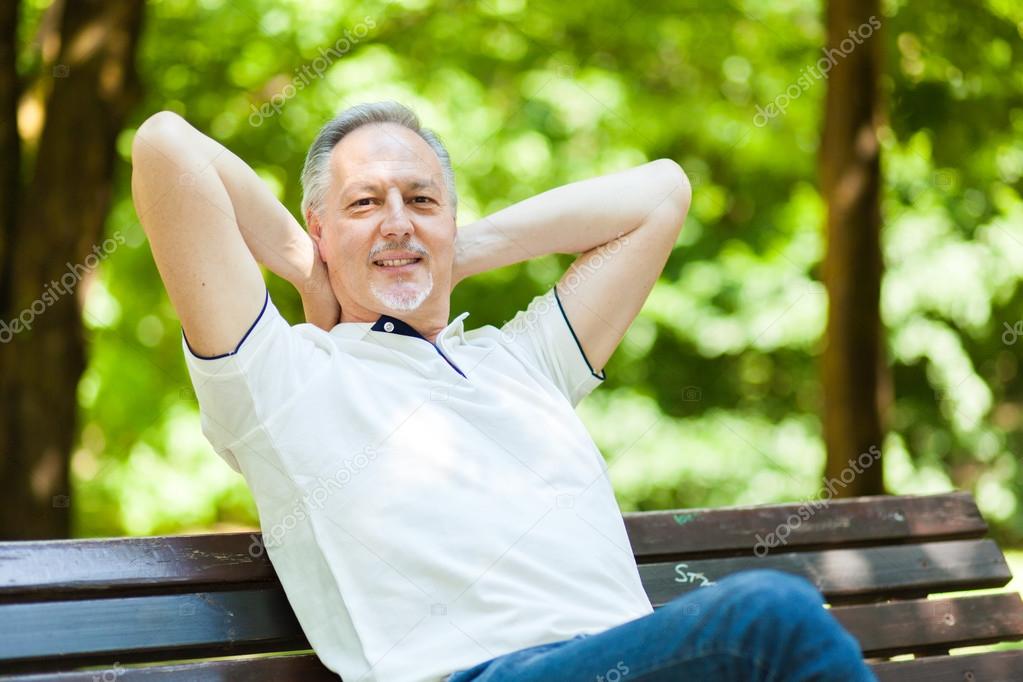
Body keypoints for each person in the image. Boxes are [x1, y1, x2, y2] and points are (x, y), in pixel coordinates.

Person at [130, 101, 876, 682]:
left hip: (619, 658)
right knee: (771, 617)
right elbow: (166, 145)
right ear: (319, 228)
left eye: (422, 200)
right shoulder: (283, 376)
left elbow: (661, 193)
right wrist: (307, 269)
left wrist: (453, 251)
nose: (396, 222)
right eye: (364, 205)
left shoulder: (521, 361)